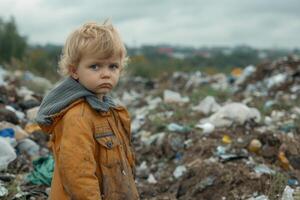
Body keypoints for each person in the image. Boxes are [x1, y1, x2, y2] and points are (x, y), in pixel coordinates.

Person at [36, 20, 139, 200]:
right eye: (95, 66)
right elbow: (78, 175)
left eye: (112, 66)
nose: (106, 73)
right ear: (74, 71)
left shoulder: (112, 110)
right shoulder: (78, 116)